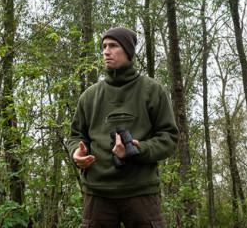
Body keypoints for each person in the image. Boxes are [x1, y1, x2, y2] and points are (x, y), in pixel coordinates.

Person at [67, 26, 179, 228]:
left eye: (113, 46)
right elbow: (76, 135)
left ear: (128, 50)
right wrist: (77, 152)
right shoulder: (90, 96)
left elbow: (169, 138)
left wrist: (136, 149)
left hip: (141, 193)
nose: (106, 51)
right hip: (97, 194)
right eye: (104, 46)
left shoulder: (152, 90)